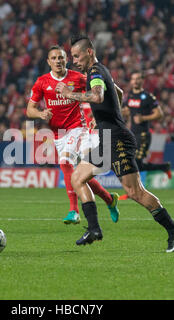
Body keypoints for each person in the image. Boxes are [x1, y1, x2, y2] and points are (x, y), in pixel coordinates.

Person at [56, 35, 174, 253]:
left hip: (117, 139)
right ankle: (94, 229)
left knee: (135, 192)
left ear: (89, 52)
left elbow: (97, 97)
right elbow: (119, 93)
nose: (74, 61)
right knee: (77, 178)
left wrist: (70, 94)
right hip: (107, 137)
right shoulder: (98, 71)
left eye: (76, 56)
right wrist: (107, 117)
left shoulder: (95, 72)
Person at [26, 45, 120, 225]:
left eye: (61, 58)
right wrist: (40, 114)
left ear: (66, 60)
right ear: (48, 61)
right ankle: (109, 199)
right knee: (78, 175)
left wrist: (96, 116)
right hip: (58, 134)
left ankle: (74, 211)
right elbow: (29, 109)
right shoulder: (42, 82)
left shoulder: (77, 77)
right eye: (53, 58)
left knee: (65, 162)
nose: (58, 61)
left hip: (78, 128)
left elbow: (99, 92)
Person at [118, 71, 172, 200]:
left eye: (138, 79)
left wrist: (143, 118)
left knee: (135, 163)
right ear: (130, 81)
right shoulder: (129, 97)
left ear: (142, 81)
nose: (135, 81)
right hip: (131, 134)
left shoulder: (147, 97)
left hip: (143, 135)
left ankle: (133, 192)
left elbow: (159, 114)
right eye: (133, 79)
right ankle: (163, 167)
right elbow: (126, 111)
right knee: (133, 163)